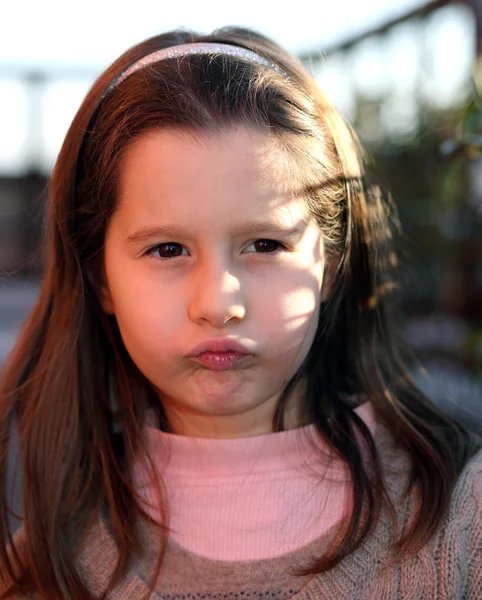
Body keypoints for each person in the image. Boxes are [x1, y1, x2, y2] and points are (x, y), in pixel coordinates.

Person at [0, 26, 480, 600]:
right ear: (101, 277)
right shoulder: (49, 561)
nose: (218, 304)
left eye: (265, 245)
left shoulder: (461, 519)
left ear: (330, 260)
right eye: (167, 250)